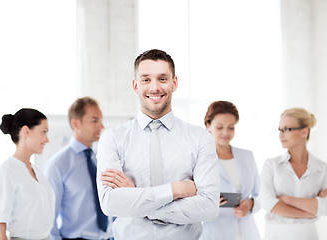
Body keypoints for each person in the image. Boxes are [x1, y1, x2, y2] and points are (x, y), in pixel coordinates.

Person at [96, 49, 220, 240]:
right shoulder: (112, 138)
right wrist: (176, 190)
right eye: (146, 79)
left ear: (174, 83)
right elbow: (110, 204)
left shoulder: (200, 138)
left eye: (162, 79)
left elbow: (209, 207)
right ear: (135, 85)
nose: (155, 87)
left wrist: (137, 199)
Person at [44, 97, 113, 240]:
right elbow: (49, 216)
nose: (101, 126)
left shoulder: (99, 160)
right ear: (76, 123)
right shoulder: (58, 165)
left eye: (101, 120)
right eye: (95, 121)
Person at [258, 107, 327, 240]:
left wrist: (287, 199)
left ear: (304, 132)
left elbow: (326, 207)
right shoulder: (271, 165)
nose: (281, 134)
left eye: (287, 129)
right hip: (276, 234)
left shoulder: (323, 168)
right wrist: (311, 211)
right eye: (280, 129)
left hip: (309, 235)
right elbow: (267, 202)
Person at [200, 101, 261, 240]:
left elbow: (261, 194)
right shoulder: (200, 160)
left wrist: (251, 205)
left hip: (247, 231)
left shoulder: (247, 156)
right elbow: (190, 200)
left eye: (231, 127)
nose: (226, 133)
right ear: (208, 126)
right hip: (215, 231)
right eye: (220, 127)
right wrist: (208, 203)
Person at [0, 108, 55, 240]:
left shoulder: (37, 171)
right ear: (26, 131)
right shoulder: (5, 173)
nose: (47, 140)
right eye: (43, 132)